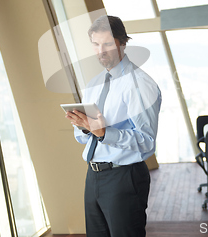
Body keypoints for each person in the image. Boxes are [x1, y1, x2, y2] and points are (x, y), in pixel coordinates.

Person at [65, 15, 162, 237]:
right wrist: (84, 126)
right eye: (96, 44)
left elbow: (146, 141)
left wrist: (103, 132)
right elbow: (82, 137)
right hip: (94, 175)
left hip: (124, 177)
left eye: (107, 44)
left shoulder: (138, 84)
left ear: (122, 42)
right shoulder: (94, 83)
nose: (101, 51)